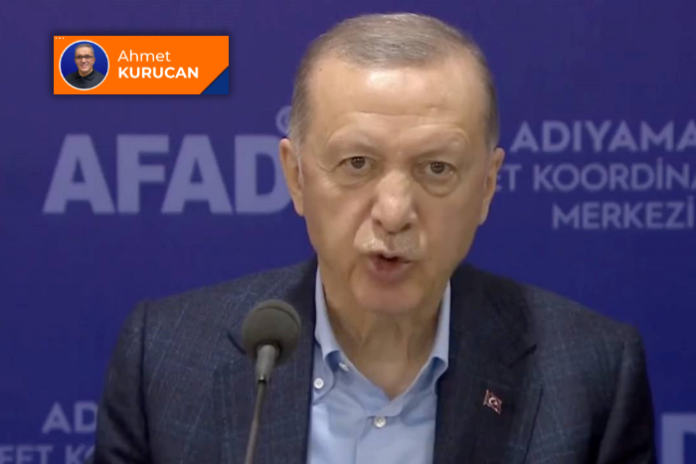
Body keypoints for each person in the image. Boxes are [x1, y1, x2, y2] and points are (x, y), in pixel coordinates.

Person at [89, 13, 656, 464]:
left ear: (486, 187)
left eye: (437, 169)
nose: (393, 213)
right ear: (296, 177)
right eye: (357, 163)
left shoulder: (590, 374)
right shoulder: (165, 361)